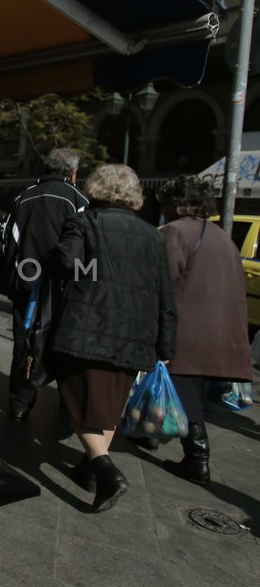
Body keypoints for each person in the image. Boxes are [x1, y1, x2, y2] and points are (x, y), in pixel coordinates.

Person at [45, 164, 176, 512]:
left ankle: (106, 471)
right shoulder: (154, 236)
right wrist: (166, 345)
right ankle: (90, 470)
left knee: (78, 402)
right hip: (135, 335)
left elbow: (66, 260)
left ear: (96, 188)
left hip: (87, 327)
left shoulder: (84, 222)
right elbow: (166, 295)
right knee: (108, 409)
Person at [155, 175, 253, 484]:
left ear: (174, 203)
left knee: (185, 392)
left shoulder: (174, 232)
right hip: (221, 330)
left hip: (188, 330)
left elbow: (163, 283)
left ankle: (197, 458)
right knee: (189, 391)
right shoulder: (222, 235)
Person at [0, 148, 89, 421]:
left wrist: (6, 282)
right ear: (72, 172)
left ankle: (20, 403)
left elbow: (7, 242)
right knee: (64, 344)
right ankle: (65, 402)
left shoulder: (23, 197)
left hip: (26, 285)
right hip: (64, 288)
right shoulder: (78, 200)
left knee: (24, 344)